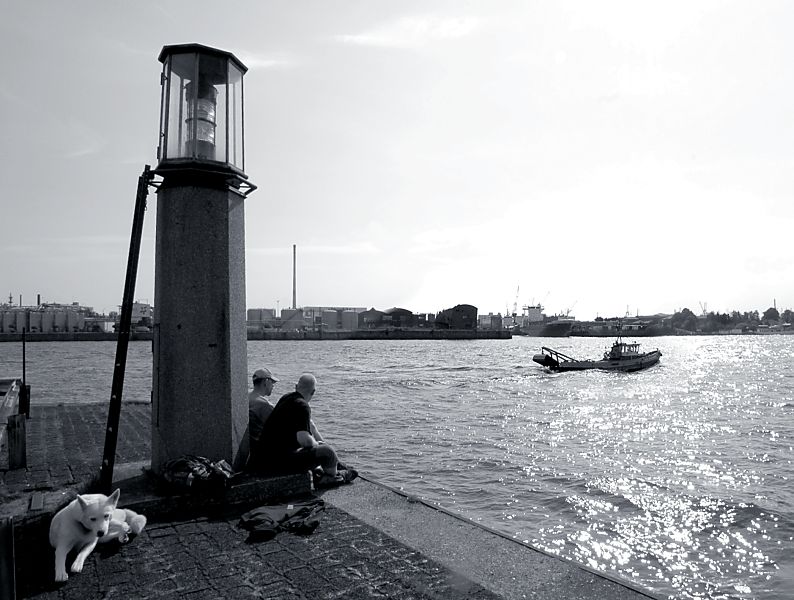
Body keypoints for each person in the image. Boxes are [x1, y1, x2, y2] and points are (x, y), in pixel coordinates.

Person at [250, 373, 354, 486]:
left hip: (265, 459)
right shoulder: (303, 406)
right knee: (328, 452)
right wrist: (317, 443)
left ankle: (334, 468)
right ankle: (335, 477)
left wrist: (315, 443)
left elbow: (305, 430)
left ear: (296, 386)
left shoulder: (286, 398)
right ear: (313, 392)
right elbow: (304, 440)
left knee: (321, 449)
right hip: (279, 463)